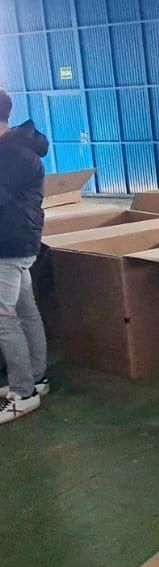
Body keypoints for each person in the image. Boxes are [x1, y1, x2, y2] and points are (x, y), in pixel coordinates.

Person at [0, 88, 50, 425]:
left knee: (3, 317)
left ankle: (23, 392)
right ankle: (36, 378)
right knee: (24, 309)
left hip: (8, 244)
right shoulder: (18, 147)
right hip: (20, 241)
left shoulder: (10, 154)